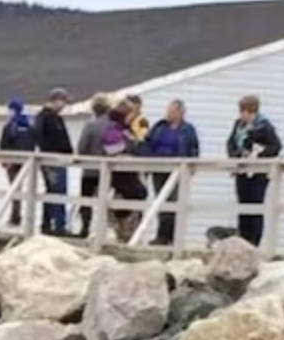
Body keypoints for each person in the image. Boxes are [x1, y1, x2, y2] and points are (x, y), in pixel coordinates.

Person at [228, 94, 283, 248]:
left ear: (251, 111)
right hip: (242, 171)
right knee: (243, 205)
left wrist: (258, 154)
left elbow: (276, 147)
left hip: (258, 173)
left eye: (243, 111)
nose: (241, 114)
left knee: (255, 205)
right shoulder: (238, 125)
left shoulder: (264, 126)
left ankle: (254, 241)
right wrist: (235, 155)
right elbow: (231, 143)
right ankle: (243, 238)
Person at [144, 99, 200, 246]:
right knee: (161, 201)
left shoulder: (188, 130)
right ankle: (161, 236)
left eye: (172, 111)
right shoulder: (160, 126)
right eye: (168, 111)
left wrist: (192, 167)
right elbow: (148, 143)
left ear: (180, 113)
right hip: (158, 168)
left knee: (174, 202)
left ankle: (171, 237)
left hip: (177, 169)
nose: (168, 114)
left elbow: (193, 149)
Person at [101, 99, 147, 242]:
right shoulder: (113, 130)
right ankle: (119, 227)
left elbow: (137, 145)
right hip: (120, 174)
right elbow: (114, 150)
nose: (135, 117)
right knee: (137, 193)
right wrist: (132, 149)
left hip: (129, 172)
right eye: (133, 113)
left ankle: (128, 232)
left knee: (139, 194)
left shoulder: (125, 129)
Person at [34, 87, 75, 236]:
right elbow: (43, 139)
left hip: (58, 160)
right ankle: (58, 226)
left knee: (53, 192)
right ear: (56, 100)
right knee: (58, 191)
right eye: (63, 102)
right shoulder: (45, 117)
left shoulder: (53, 118)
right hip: (53, 161)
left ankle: (48, 224)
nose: (64, 106)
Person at [77, 93, 114, 238]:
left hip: (90, 170)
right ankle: (103, 230)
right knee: (105, 201)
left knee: (85, 200)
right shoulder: (113, 126)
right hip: (108, 171)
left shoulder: (90, 125)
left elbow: (82, 148)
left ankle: (85, 228)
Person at [0, 97, 36, 228]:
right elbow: (33, 143)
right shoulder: (29, 125)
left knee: (14, 190)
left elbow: (4, 144)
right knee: (23, 190)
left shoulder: (10, 126)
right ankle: (26, 218)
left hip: (13, 162)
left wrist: (5, 159)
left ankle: (15, 217)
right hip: (27, 162)